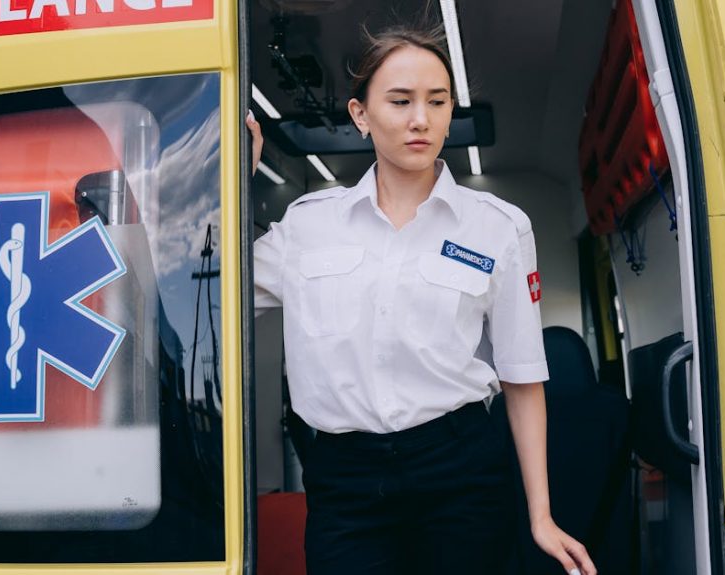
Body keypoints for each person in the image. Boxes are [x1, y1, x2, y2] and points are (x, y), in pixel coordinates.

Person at [246, 21, 596, 575]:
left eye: (437, 102)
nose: (421, 119)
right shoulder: (307, 227)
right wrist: (232, 174)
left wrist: (542, 515)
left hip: (459, 473)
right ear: (361, 115)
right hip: (344, 483)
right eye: (401, 100)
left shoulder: (498, 229)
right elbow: (214, 284)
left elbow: (523, 379)